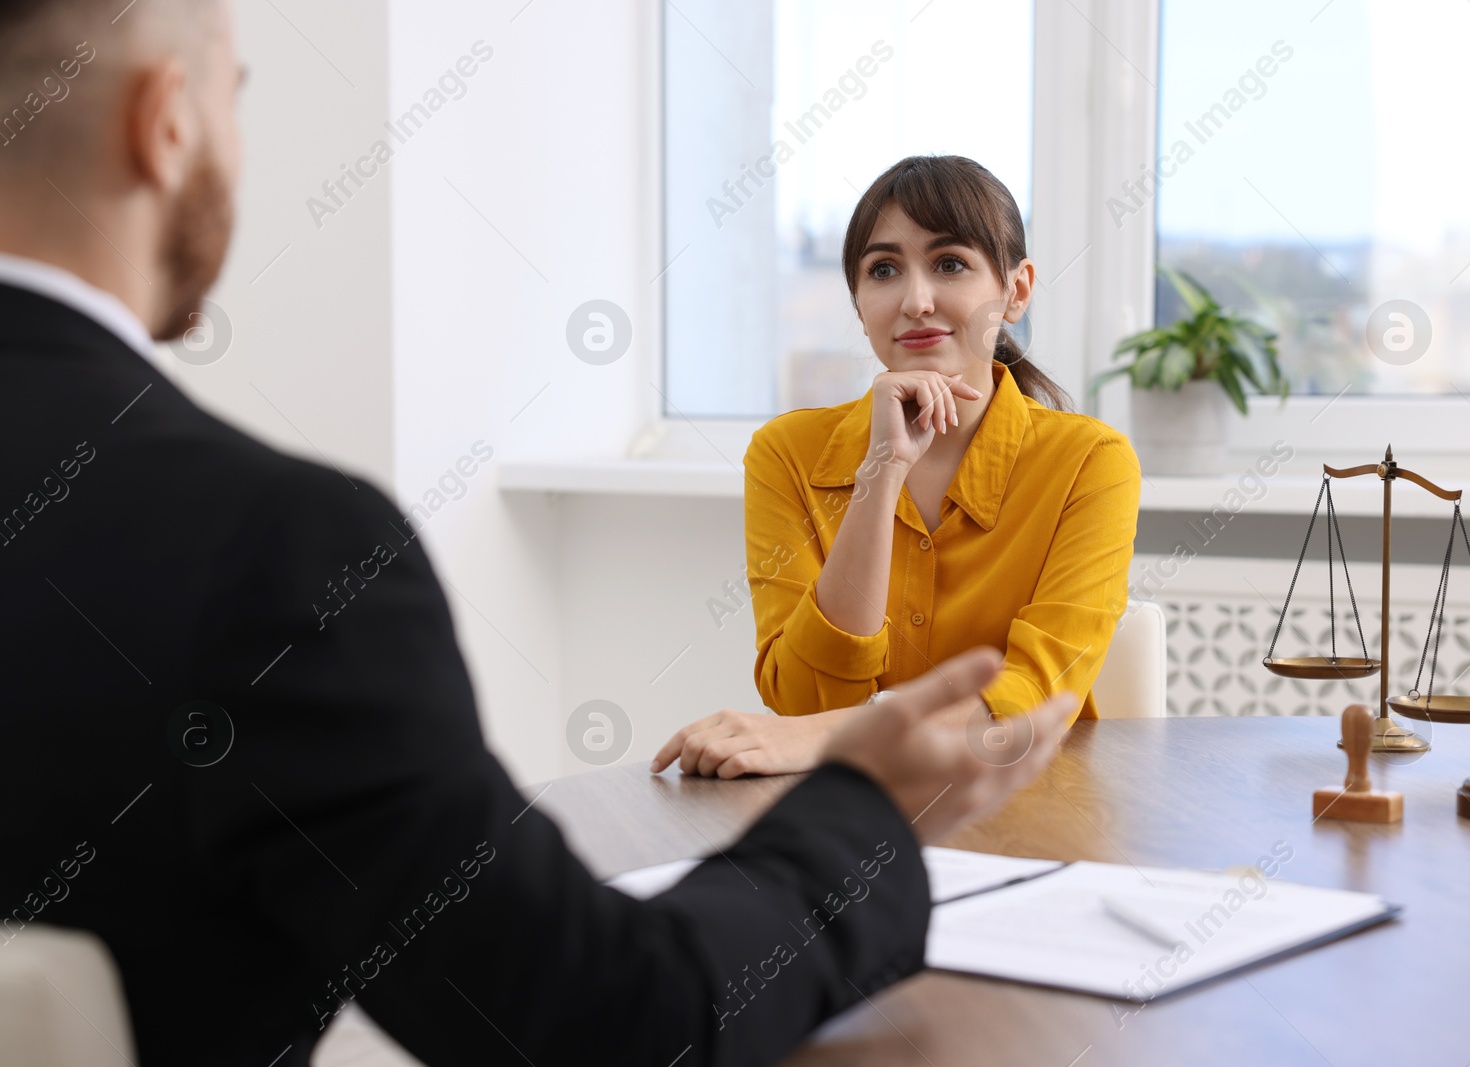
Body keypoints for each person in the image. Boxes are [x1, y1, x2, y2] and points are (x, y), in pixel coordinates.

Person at [0, 4, 1074, 1064]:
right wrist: (860, 816)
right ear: (168, 122)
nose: (915, 295)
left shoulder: (1076, 460)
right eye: (236, 99)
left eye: (950, 264)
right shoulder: (276, 552)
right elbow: (608, 1021)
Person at [653, 156, 1140, 780]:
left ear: (1015, 292)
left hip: (1028, 807)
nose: (915, 299)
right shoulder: (785, 454)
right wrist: (880, 476)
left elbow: (1032, 697)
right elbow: (802, 699)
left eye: (950, 264)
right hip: (844, 818)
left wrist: (832, 737)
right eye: (884, 270)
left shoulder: (1090, 465)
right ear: (859, 303)